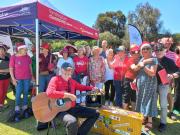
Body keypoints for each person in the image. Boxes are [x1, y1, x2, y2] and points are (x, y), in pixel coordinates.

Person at [46, 62, 100, 135]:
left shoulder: (71, 81)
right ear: (61, 70)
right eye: (65, 71)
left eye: (69, 71)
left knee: (95, 113)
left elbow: (82, 87)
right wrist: (67, 95)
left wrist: (93, 88)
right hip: (59, 110)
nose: (67, 73)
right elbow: (49, 92)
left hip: (72, 107)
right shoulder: (55, 79)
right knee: (72, 121)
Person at [154, 43, 179, 132]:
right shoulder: (153, 59)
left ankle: (163, 123)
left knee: (163, 104)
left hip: (163, 85)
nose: (158, 52)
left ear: (164, 50)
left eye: (160, 50)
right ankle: (152, 117)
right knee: (152, 102)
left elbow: (178, 71)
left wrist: (172, 75)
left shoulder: (169, 61)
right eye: (156, 50)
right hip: (153, 84)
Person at [135, 43, 158, 131]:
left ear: (150, 50)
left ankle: (150, 121)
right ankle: (144, 118)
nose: (145, 50)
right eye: (143, 49)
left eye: (147, 48)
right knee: (141, 99)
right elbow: (137, 69)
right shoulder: (142, 59)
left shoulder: (154, 60)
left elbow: (152, 73)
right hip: (141, 83)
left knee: (149, 100)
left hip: (150, 84)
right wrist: (138, 66)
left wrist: (143, 66)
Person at [9, 43, 33, 122]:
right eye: (25, 50)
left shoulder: (27, 57)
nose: (26, 51)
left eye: (26, 50)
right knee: (18, 93)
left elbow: (30, 67)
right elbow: (11, 69)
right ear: (20, 50)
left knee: (26, 92)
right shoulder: (13, 57)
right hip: (18, 79)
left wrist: (32, 76)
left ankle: (25, 106)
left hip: (27, 78)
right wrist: (13, 79)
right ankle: (17, 107)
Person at [123, 45, 140, 110]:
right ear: (130, 53)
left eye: (137, 52)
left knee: (134, 97)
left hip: (135, 81)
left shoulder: (140, 60)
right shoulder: (130, 60)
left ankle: (134, 113)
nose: (135, 54)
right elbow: (134, 68)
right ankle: (124, 112)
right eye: (133, 52)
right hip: (128, 80)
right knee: (126, 96)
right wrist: (141, 64)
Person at [0, 43, 10, 112]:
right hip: (0, 79)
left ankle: (2, 104)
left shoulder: (7, 58)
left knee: (4, 92)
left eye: (2, 50)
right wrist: (6, 70)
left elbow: (11, 68)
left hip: (7, 78)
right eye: (0, 50)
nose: (1, 51)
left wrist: (4, 71)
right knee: (0, 92)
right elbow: (8, 69)